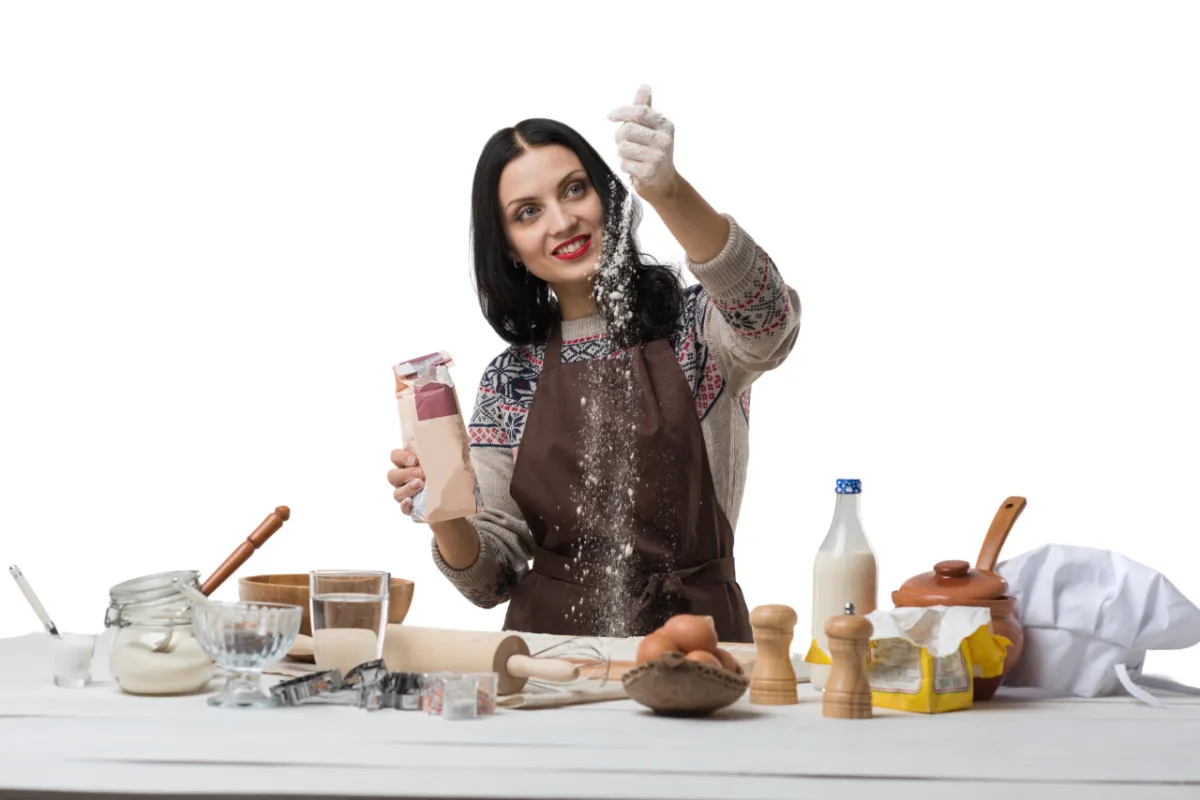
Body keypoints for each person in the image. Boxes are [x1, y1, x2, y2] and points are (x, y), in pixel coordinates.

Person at [387, 86, 800, 643]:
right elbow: (491, 579)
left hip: (702, 649)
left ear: (606, 195)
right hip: (552, 660)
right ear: (509, 246)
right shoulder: (513, 379)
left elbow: (768, 317)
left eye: (574, 190)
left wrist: (669, 192)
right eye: (528, 212)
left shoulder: (697, 329)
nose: (561, 222)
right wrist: (441, 509)